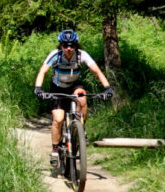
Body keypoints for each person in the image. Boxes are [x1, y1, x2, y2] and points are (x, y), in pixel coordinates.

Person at [33, 29, 114, 167]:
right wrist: (38, 88)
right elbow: (43, 71)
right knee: (58, 119)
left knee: (82, 98)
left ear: (76, 45)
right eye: (65, 45)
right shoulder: (55, 55)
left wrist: (107, 88)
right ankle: (54, 150)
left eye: (72, 45)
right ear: (61, 45)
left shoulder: (82, 55)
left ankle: (80, 130)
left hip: (74, 85)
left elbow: (97, 72)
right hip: (57, 87)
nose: (69, 48)